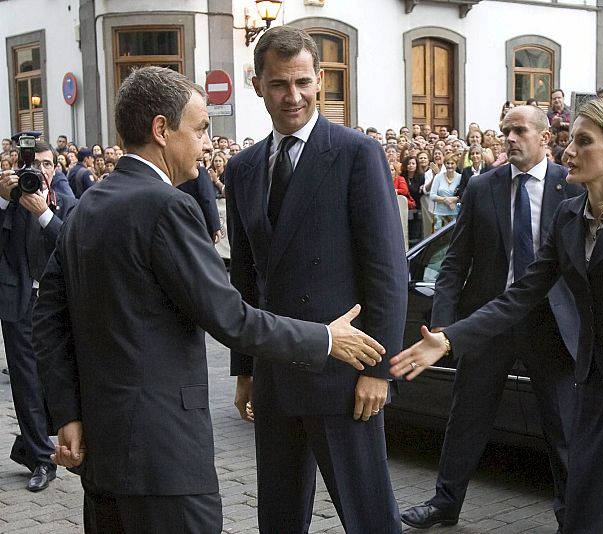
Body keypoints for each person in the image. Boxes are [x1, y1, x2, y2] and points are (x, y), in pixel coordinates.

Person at [32, 66, 386, 534]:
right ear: (161, 130)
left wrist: (68, 413)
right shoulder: (167, 206)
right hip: (166, 460)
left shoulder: (86, 208)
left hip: (103, 457)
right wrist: (325, 338)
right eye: (199, 129)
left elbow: (48, 321)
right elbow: (230, 317)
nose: (206, 144)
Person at [390, 97, 603, 534]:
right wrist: (449, 339)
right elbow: (519, 295)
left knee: (599, 521)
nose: (569, 152)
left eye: (584, 142)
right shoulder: (569, 216)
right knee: (578, 517)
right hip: (592, 389)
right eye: (570, 140)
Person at [226, 26, 407, 533]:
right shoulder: (242, 169)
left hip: (344, 375)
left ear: (320, 79)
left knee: (369, 517)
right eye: (279, 84)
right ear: (257, 85)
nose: (293, 96)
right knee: (279, 518)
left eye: (303, 81)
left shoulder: (355, 153)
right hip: (275, 372)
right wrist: (245, 368)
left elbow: (387, 271)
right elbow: (246, 277)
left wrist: (379, 372)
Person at [400, 105, 581, 531]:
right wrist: (444, 326)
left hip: (550, 324)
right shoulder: (483, 187)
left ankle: (572, 515)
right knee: (467, 416)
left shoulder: (571, 187)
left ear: (545, 138)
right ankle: (445, 503)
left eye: (520, 131)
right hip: (488, 322)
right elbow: (454, 262)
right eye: (505, 131)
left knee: (562, 425)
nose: (510, 138)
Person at [0, 137, 78, 492]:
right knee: (27, 382)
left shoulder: (66, 200)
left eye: (47, 165)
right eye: (33, 165)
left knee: (60, 375)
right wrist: (5, 199)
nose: (40, 172)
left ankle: (36, 444)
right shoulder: (12, 200)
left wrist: (43, 213)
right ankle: (42, 459)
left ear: (56, 167)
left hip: (56, 303)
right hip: (19, 302)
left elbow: (72, 244)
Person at [429, 153, 461, 230]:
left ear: (456, 164)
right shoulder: (438, 177)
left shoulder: (460, 177)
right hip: (439, 214)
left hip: (455, 214)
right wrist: (447, 200)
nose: (450, 166)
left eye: (452, 163)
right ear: (444, 164)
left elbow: (463, 195)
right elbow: (432, 196)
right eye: (447, 163)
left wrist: (453, 199)